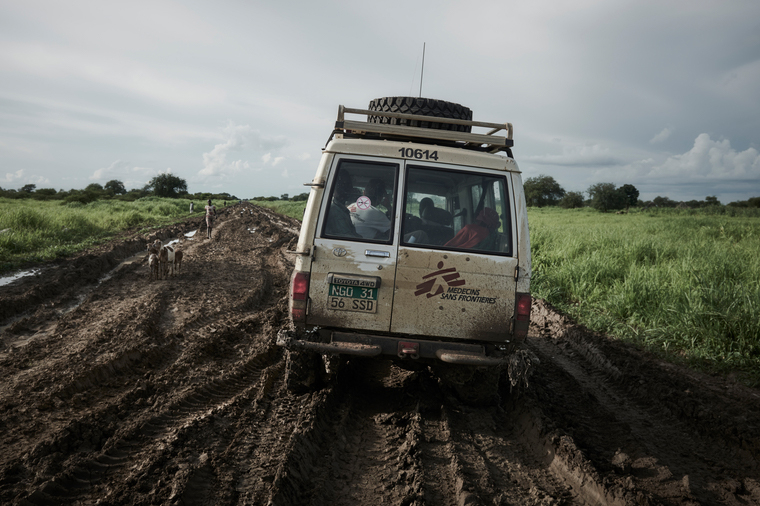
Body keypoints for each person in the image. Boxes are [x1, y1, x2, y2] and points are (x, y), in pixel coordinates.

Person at [324, 170, 361, 238]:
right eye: (345, 185)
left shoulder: (341, 209)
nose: (350, 189)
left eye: (349, 185)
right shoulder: (334, 210)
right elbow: (347, 237)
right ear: (335, 187)